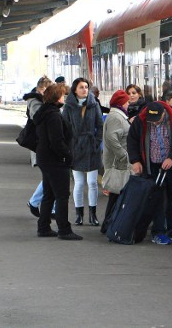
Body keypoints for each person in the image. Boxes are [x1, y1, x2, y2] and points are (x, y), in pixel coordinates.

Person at [127, 101, 172, 245]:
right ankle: (158, 232)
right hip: (152, 167)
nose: (154, 123)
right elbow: (132, 140)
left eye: (158, 120)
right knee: (157, 200)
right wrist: (135, 160)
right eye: (152, 121)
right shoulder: (141, 120)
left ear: (164, 114)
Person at [33, 83, 82, 240]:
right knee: (61, 195)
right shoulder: (54, 116)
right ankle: (64, 229)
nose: (64, 98)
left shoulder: (44, 112)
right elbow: (57, 141)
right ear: (56, 98)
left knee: (49, 194)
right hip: (55, 160)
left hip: (45, 158)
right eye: (62, 95)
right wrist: (68, 156)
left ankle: (44, 227)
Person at [63, 78, 104, 226]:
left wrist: (97, 142)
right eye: (81, 87)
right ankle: (79, 214)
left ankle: (93, 215)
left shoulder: (94, 104)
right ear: (75, 90)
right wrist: (69, 145)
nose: (84, 90)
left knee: (92, 182)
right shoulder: (68, 106)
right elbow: (64, 127)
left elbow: (100, 125)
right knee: (79, 183)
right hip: (76, 147)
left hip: (91, 147)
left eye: (86, 87)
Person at [100, 90, 131, 234]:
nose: (129, 103)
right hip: (117, 163)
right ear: (121, 103)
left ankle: (109, 224)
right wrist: (123, 155)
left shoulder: (117, 116)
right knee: (116, 195)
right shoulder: (116, 117)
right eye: (127, 101)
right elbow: (112, 139)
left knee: (116, 195)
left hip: (117, 162)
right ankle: (108, 225)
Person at [24, 76, 53, 217]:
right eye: (44, 90)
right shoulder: (34, 102)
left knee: (50, 177)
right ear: (39, 89)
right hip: (41, 144)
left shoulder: (45, 101)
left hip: (48, 144)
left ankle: (38, 203)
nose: (46, 93)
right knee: (51, 177)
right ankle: (38, 203)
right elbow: (39, 120)